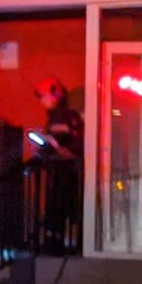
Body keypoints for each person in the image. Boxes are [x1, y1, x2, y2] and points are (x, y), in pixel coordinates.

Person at [28, 77, 82, 253]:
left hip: (64, 170)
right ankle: (58, 240)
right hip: (65, 170)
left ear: (54, 96)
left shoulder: (61, 116)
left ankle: (55, 242)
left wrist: (45, 146)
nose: (42, 102)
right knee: (61, 208)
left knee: (58, 207)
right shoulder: (65, 115)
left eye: (44, 97)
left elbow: (59, 141)